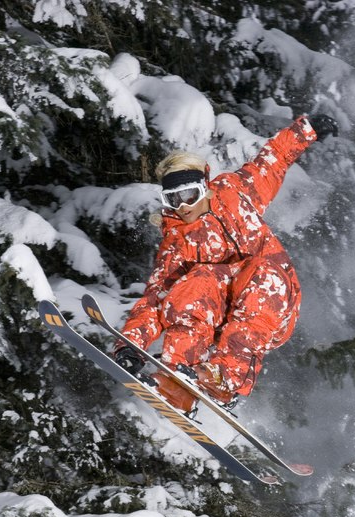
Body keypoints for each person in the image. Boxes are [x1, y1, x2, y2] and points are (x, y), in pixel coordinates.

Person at [114, 113, 338, 414]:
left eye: (189, 195)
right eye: (173, 199)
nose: (183, 207)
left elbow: (274, 160)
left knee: (259, 271)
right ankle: (179, 380)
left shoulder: (236, 192)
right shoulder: (178, 244)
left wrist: (306, 130)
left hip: (269, 301)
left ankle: (226, 377)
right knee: (196, 283)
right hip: (221, 315)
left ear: (203, 188)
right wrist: (130, 346)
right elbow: (155, 302)